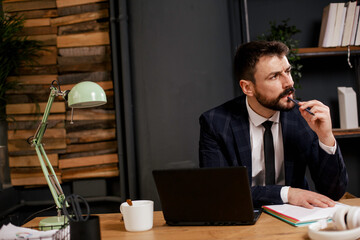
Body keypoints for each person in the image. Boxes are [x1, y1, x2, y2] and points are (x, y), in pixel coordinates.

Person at [199, 41, 348, 208]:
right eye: (274, 76)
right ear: (248, 87)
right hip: (243, 221)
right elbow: (218, 192)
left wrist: (326, 137)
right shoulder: (216, 123)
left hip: (296, 218)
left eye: (288, 71)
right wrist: (286, 193)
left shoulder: (304, 118)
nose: (289, 83)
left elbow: (334, 192)